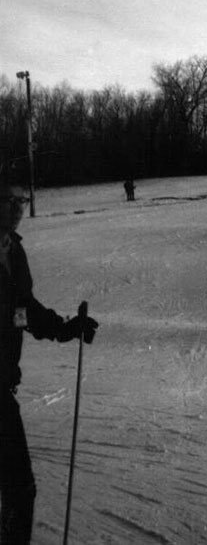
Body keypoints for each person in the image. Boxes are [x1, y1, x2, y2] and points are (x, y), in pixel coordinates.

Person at [1, 174, 99, 545]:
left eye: (21, 201)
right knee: (19, 486)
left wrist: (66, 328)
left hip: (2, 383)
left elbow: (22, 309)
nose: (16, 209)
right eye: (8, 200)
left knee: (18, 488)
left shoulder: (14, 251)